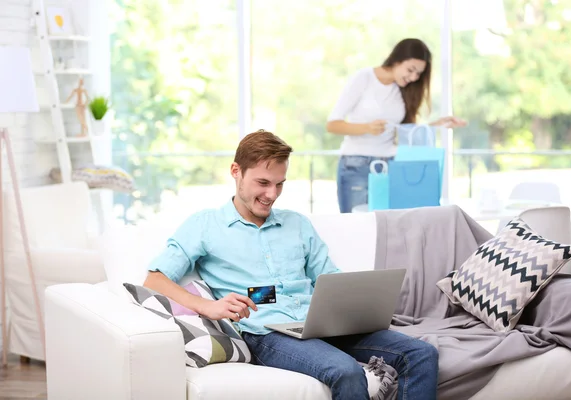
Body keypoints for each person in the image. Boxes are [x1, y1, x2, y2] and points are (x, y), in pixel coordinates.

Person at [143, 130, 439, 400]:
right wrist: (208, 306)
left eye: (279, 184)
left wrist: (359, 307)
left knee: (421, 354)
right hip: (265, 331)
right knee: (345, 370)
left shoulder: (297, 224)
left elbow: (330, 278)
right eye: (263, 183)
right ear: (236, 172)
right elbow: (154, 280)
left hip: (322, 322)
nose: (271, 194)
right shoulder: (205, 225)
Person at [326, 38, 467, 213]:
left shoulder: (404, 90)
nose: (414, 77)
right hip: (357, 165)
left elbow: (405, 132)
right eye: (411, 70)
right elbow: (332, 125)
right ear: (397, 60)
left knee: (391, 228)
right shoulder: (364, 78)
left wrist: (437, 124)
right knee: (356, 227)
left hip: (392, 165)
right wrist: (367, 128)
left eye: (418, 74)